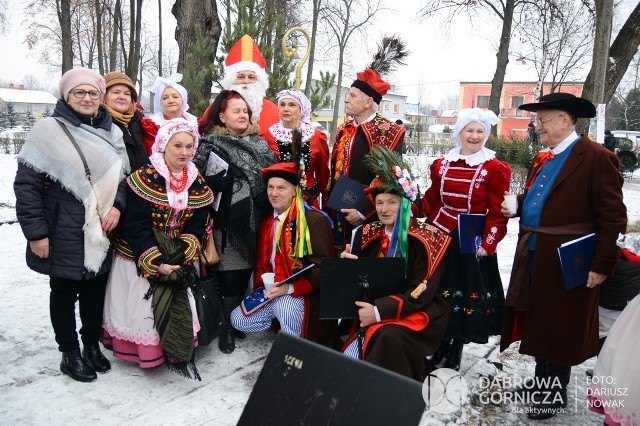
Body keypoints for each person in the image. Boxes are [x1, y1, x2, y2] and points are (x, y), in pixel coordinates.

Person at [500, 93, 627, 420]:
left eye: (543, 119)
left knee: (559, 327)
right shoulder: (546, 157)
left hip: (570, 259)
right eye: (538, 119)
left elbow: (613, 218)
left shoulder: (597, 158)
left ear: (565, 120)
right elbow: (545, 195)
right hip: (536, 253)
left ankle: (552, 394)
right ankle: (541, 381)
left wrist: (602, 265)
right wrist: (520, 204)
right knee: (541, 321)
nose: (537, 125)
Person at [14, 67, 129, 382]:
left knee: (95, 291)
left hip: (102, 229)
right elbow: (26, 187)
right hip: (61, 229)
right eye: (80, 92)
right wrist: (36, 234)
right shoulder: (47, 131)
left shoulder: (112, 132)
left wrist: (118, 207)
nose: (87, 98)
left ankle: (91, 344)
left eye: (93, 92)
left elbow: (124, 180)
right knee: (63, 293)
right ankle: (69, 352)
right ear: (66, 95)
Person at [102, 119, 213, 379]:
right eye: (177, 146)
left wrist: (182, 255)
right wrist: (155, 261)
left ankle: (174, 347)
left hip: (178, 255)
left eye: (189, 146)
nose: (184, 152)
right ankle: (144, 351)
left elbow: (198, 224)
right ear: (163, 145)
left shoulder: (196, 180)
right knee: (143, 310)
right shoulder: (144, 177)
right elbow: (136, 225)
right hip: (138, 253)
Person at [340, 145, 451, 381]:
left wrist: (380, 312)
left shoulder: (428, 238)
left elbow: (423, 290)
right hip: (373, 309)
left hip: (419, 308)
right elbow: (359, 281)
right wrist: (346, 268)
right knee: (348, 359)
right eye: (379, 202)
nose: (384, 209)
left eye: (391, 202)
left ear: (404, 203)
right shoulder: (367, 232)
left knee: (387, 336)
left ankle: (393, 391)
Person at [418, 108, 511, 371]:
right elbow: (432, 200)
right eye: (469, 130)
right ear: (459, 133)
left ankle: (454, 347)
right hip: (442, 236)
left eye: (480, 131)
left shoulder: (494, 168)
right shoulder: (442, 164)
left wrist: (488, 242)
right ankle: (439, 341)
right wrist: (412, 207)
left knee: (462, 294)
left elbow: (496, 211)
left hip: (471, 243)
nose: (475, 136)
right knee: (438, 291)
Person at [194, 90, 276, 354]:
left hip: (259, 217)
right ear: (222, 115)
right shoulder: (209, 144)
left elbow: (272, 178)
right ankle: (227, 325)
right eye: (236, 111)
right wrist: (211, 182)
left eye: (245, 111)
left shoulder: (261, 144)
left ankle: (237, 316)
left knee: (246, 273)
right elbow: (194, 180)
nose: (242, 115)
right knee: (229, 274)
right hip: (228, 221)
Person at [229, 162, 337, 348]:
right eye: (271, 187)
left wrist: (289, 288)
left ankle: (292, 350)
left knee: (285, 307)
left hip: (304, 293)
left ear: (295, 190)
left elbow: (325, 268)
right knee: (238, 320)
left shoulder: (313, 220)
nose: (274, 193)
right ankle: (285, 323)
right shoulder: (267, 222)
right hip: (274, 288)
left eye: (281, 188)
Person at [329, 68, 405, 250]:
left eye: (352, 96)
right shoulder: (343, 129)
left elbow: (389, 178)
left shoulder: (389, 132)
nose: (346, 100)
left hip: (369, 215)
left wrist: (363, 211)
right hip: (338, 212)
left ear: (368, 102)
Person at [263, 89, 330, 207]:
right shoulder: (267, 136)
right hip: (277, 202)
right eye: (282, 105)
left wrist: (326, 199)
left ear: (301, 109)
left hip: (307, 201)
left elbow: (323, 173)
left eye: (292, 105)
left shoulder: (316, 136)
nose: (286, 108)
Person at [220, 34, 279, 135]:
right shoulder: (217, 108)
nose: (246, 81)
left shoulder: (274, 112)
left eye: (251, 77)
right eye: (241, 77)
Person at [140, 73, 198, 154]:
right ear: (159, 103)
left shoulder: (194, 121)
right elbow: (154, 153)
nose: (170, 101)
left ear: (183, 100)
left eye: (175, 97)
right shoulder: (151, 125)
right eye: (165, 98)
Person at [102, 71, 148, 172]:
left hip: (143, 183)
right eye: (116, 92)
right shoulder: (100, 123)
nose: (122, 97)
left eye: (127, 94)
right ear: (104, 96)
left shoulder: (138, 121)